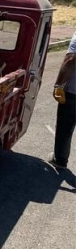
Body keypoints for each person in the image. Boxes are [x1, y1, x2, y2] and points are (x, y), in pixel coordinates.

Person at [50, 31, 76, 170]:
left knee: (65, 128)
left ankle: (60, 160)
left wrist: (59, 85)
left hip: (73, 93)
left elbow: (71, 60)